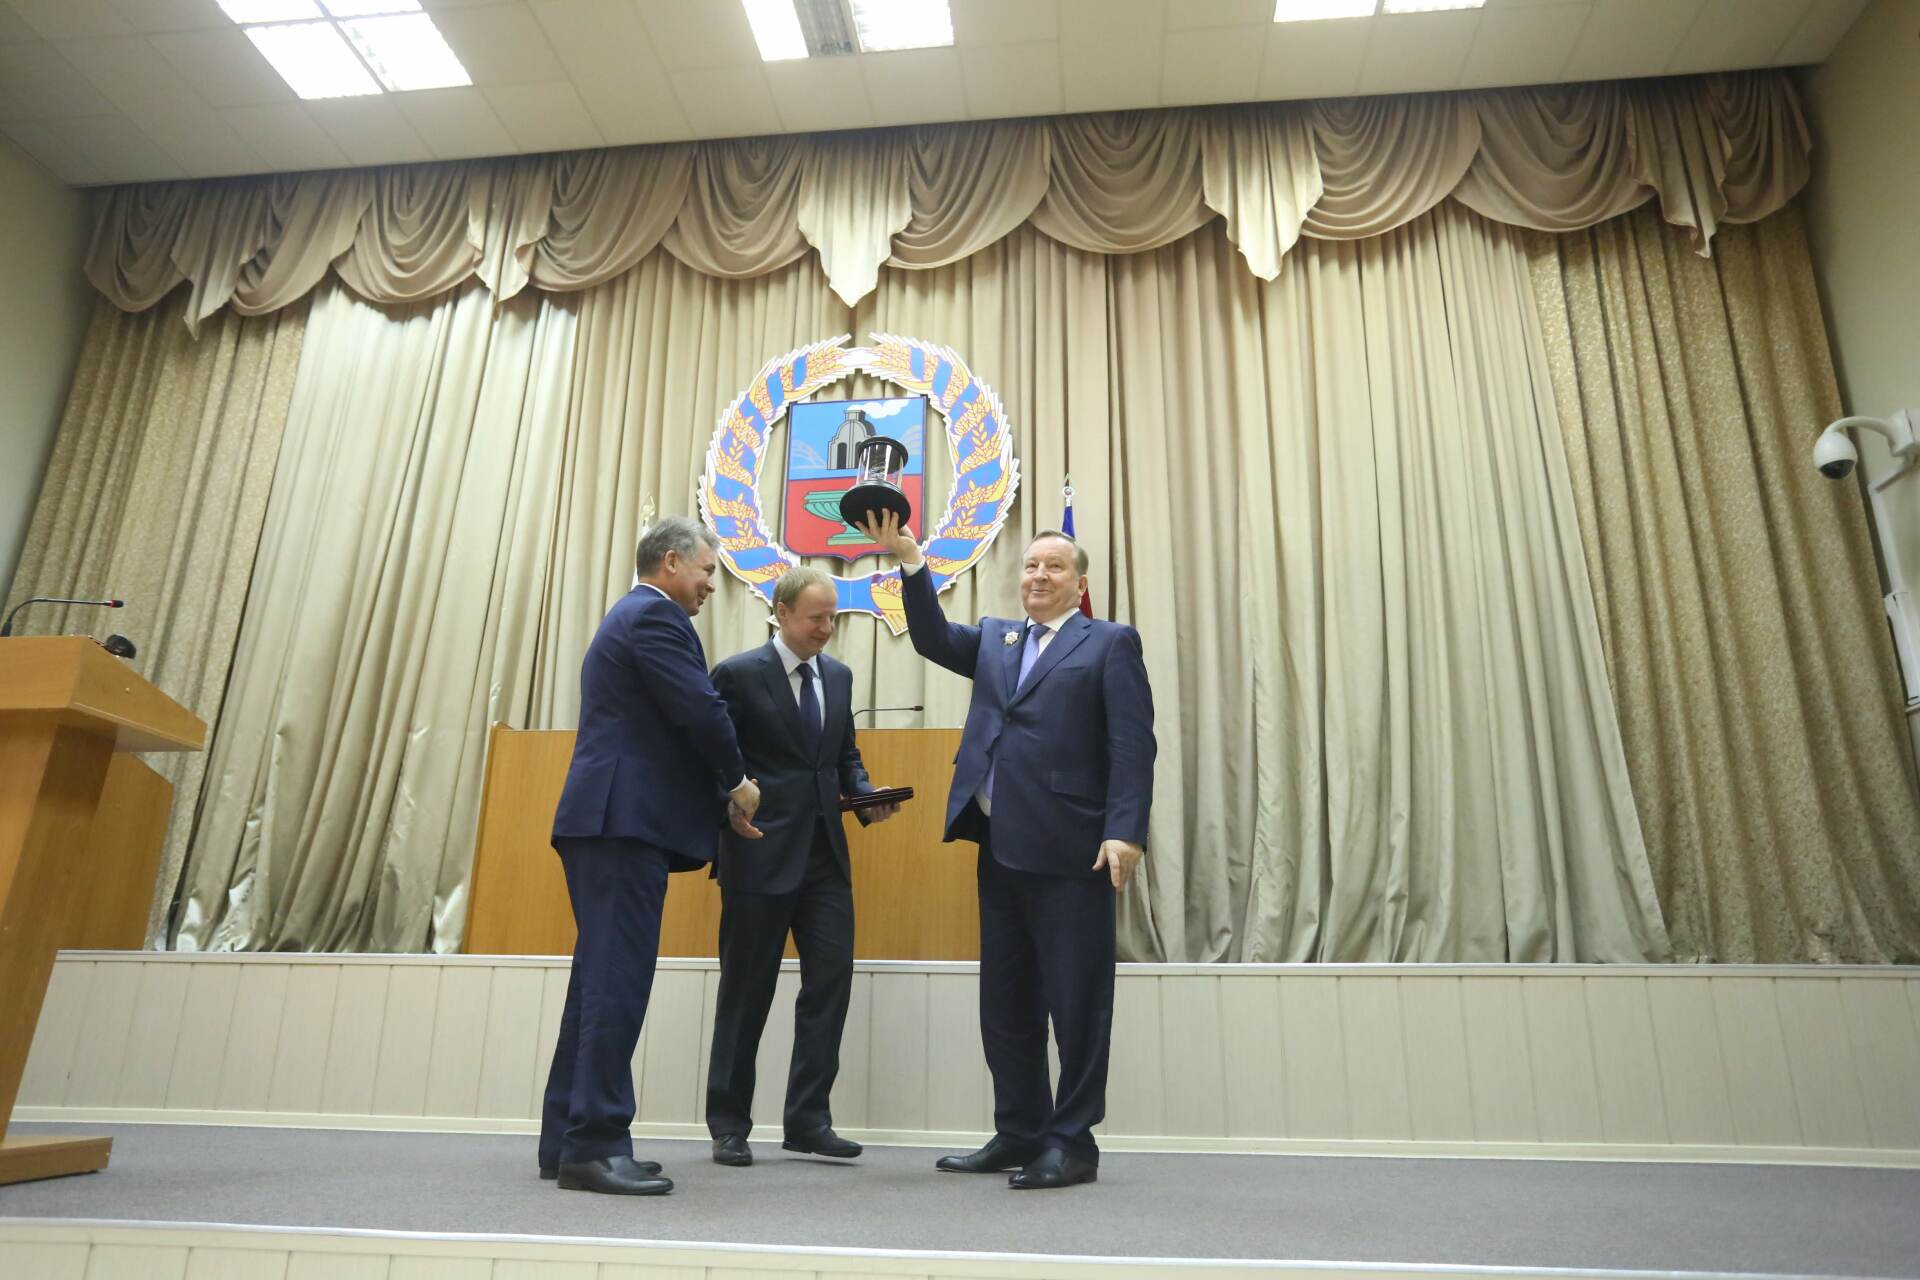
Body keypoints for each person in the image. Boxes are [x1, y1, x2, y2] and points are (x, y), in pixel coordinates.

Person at [855, 510, 1154, 1190]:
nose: (1038, 575)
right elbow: (931, 636)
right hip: (999, 848)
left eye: (1054, 566)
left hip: (1074, 852)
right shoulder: (998, 638)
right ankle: (1020, 1130)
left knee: (1076, 1005)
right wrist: (911, 561)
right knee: (1006, 1003)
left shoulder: (1109, 643)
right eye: (1031, 565)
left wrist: (1126, 830)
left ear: (1079, 584)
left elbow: (1133, 745)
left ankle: (1072, 1143)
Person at [538, 516, 763, 1197]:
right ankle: (596, 1144)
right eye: (707, 571)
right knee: (617, 984)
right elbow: (700, 710)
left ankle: (567, 1139)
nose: (710, 585)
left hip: (609, 821)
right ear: (671, 562)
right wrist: (738, 782)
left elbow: (661, 730)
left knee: (596, 984)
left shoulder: (630, 617)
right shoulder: (657, 618)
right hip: (622, 825)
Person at [704, 566, 901, 1167]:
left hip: (825, 858)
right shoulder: (738, 674)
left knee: (829, 987)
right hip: (758, 852)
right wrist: (724, 808)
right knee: (747, 992)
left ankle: (808, 1119)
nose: (826, 628)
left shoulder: (838, 676)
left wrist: (866, 795)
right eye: (817, 617)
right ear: (783, 612)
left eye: (832, 618)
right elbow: (713, 758)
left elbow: (844, 757)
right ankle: (729, 1124)